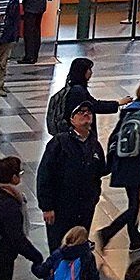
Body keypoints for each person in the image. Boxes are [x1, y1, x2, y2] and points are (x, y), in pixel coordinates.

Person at [38, 97, 110, 253]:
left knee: (79, 244)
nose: (86, 114)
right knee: (59, 247)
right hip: (61, 206)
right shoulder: (60, 143)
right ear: (72, 119)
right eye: (81, 112)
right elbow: (45, 174)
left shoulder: (94, 144)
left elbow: (99, 171)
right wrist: (47, 206)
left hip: (85, 206)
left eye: (89, 112)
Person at [99, 81, 140, 251]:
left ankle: (135, 239)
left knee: (133, 201)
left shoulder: (130, 110)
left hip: (124, 162)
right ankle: (108, 231)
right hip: (138, 164)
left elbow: (116, 135)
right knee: (137, 205)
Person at [46, 57, 118, 141]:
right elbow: (94, 105)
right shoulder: (78, 91)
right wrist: (117, 104)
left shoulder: (73, 87)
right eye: (89, 69)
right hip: (78, 135)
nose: (91, 72)